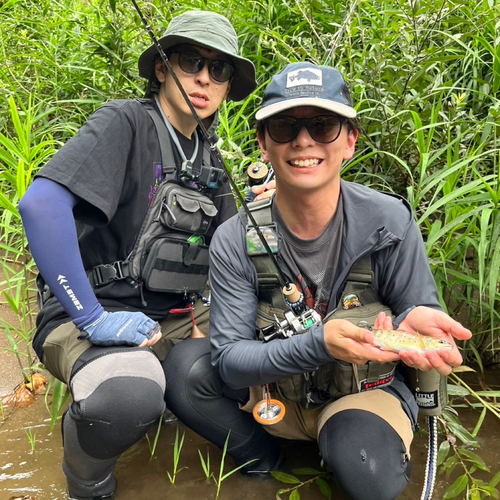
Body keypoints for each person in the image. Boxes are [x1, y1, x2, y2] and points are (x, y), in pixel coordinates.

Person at [164, 62, 472, 500]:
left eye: (323, 125)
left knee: (367, 471)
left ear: (350, 141)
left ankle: (346, 445)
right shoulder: (236, 236)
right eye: (285, 127)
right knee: (185, 369)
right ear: (263, 145)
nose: (303, 140)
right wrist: (319, 344)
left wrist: (419, 314)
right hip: (275, 398)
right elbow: (229, 359)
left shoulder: (388, 220)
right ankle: (262, 459)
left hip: (363, 395)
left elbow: (415, 309)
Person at [18, 10, 258, 500]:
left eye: (220, 69)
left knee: (266, 355)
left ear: (229, 85)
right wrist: (92, 317)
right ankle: (88, 479)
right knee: (128, 396)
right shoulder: (124, 123)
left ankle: (246, 453)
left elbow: (234, 250)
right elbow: (39, 206)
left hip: (174, 316)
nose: (204, 78)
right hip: (89, 312)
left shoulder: (210, 157)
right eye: (191, 61)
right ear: (163, 68)